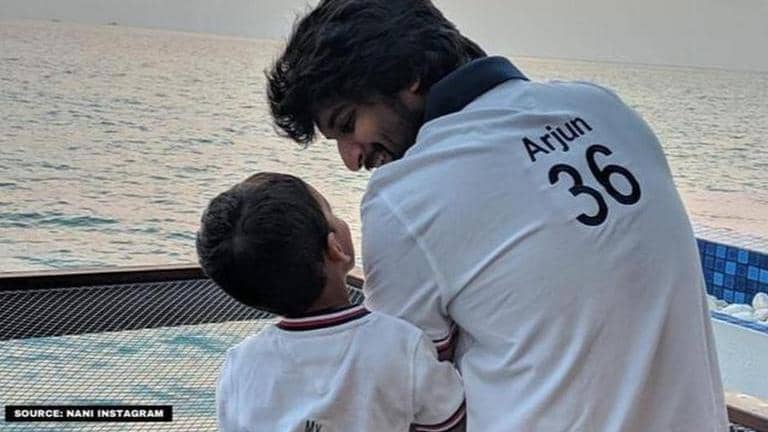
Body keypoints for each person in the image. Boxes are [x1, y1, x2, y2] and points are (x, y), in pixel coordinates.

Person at [266, 1, 729, 431]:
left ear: (408, 75)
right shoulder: (601, 106)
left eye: (348, 124)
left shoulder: (405, 195)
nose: (351, 158)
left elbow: (402, 393)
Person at [196, 172, 466, 432]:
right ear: (335, 246)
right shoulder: (401, 345)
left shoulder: (240, 365)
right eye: (331, 213)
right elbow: (452, 422)